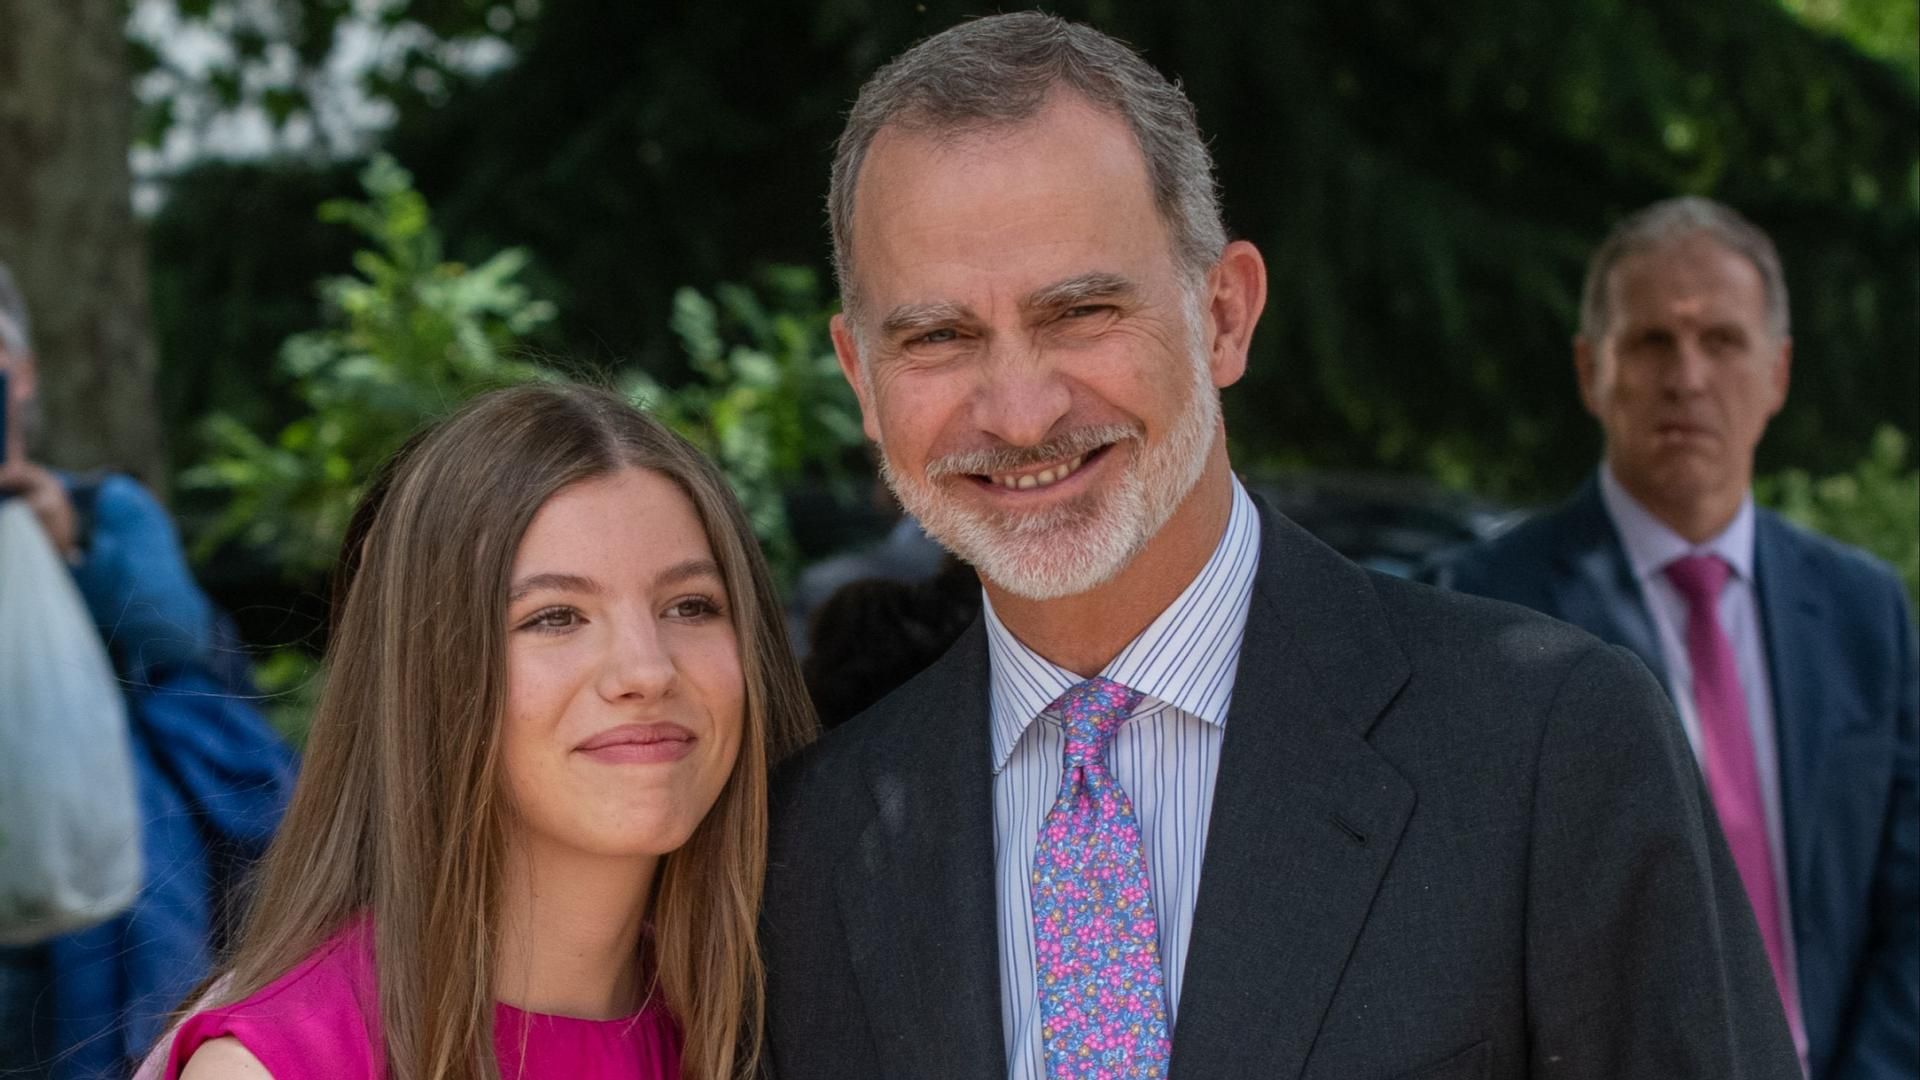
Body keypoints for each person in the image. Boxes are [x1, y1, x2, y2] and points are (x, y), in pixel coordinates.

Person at [761, 14, 1803, 1080]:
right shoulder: (808, 845)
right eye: (939, 337)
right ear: (861, 379)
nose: (1021, 413)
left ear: (1224, 316)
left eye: (1080, 311)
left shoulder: (1553, 749)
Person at [154, 383, 816, 1078]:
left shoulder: (784, 1020)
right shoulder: (280, 1063)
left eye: (690, 606)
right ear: (430, 675)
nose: (647, 671)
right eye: (555, 616)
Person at [1427, 197, 1918, 1079]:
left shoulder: (1864, 612)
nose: (1687, 377)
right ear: (1590, 370)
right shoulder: (1483, 608)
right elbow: (1464, 926)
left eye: (1722, 342)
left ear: (1778, 372)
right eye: (1652, 342)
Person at [0, 261, 296, 1079]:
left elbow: (178, 638)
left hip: (104, 883)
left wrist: (71, 549)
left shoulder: (106, 510)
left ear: (20, 374)